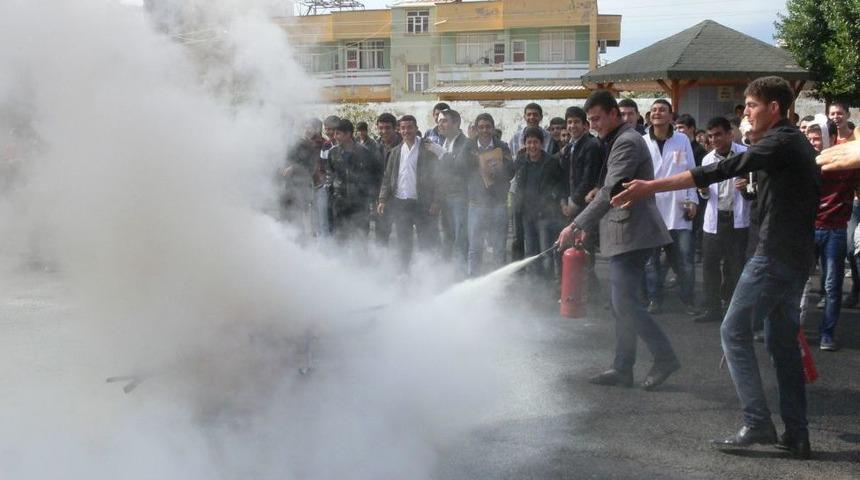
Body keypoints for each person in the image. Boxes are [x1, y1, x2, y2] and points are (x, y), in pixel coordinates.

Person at [612, 76, 820, 459]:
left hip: (773, 256)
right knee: (781, 345)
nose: (746, 113)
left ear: (775, 108)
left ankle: (758, 422)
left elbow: (722, 169)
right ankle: (796, 433)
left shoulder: (782, 140)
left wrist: (649, 187)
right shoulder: (789, 143)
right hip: (793, 257)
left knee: (733, 331)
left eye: (752, 106)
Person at [557, 90, 678, 391]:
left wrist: (576, 223)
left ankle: (664, 357)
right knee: (621, 302)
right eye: (590, 120)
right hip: (625, 231)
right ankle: (623, 368)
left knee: (623, 301)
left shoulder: (625, 142)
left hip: (634, 232)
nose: (594, 125)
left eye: (597, 119)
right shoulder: (614, 139)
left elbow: (610, 191)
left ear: (614, 114)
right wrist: (588, 226)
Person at [806, 116, 860, 350]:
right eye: (811, 138)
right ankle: (794, 331)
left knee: (831, 285)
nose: (814, 142)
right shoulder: (804, 160)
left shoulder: (847, 162)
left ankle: (827, 334)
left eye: (818, 138)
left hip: (835, 229)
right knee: (799, 284)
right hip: (807, 228)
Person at [642, 99, 699, 315]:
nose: (657, 113)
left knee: (684, 260)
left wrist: (692, 200)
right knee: (651, 261)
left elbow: (692, 171)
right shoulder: (642, 141)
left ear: (670, 115)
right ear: (650, 115)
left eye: (662, 110)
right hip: (651, 209)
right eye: (654, 110)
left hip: (679, 209)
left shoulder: (682, 139)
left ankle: (688, 300)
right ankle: (655, 299)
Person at [693, 117, 750, 324]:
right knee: (710, 266)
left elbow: (754, 188)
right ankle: (712, 308)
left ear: (730, 134)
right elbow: (706, 195)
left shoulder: (745, 154)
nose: (714, 139)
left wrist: (746, 188)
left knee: (735, 266)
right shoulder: (708, 160)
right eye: (710, 136)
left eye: (718, 134)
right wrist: (704, 191)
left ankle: (734, 309)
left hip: (737, 218)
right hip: (715, 218)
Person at [377, 115, 439, 271]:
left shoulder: (427, 150)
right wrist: (383, 199)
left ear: (416, 128)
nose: (406, 131)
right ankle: (404, 273)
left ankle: (428, 274)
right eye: (403, 128)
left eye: (410, 127)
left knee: (426, 242)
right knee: (404, 243)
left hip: (422, 204)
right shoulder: (396, 151)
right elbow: (387, 177)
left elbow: (438, 178)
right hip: (401, 203)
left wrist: (436, 201)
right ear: (399, 129)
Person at [559, 106, 604, 297]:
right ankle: (576, 290)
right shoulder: (569, 147)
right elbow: (562, 177)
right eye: (569, 122)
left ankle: (590, 293)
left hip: (585, 206)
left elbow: (588, 178)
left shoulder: (591, 145)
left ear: (585, 125)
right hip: (570, 204)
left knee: (585, 249)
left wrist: (573, 203)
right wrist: (563, 200)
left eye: (576, 122)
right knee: (572, 248)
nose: (572, 126)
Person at [466, 113, 514, 276]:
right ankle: (473, 282)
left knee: (499, 248)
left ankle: (499, 285)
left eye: (488, 127)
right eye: (481, 127)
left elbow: (512, 172)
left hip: (498, 204)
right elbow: (459, 168)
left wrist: (500, 169)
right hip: (476, 204)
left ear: (493, 129)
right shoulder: (469, 146)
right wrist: (470, 146)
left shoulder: (502, 146)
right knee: (474, 248)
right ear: (476, 129)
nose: (485, 130)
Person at [514, 126, 565, 280]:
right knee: (530, 251)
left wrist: (552, 197)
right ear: (524, 144)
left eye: (535, 142)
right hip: (527, 214)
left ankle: (547, 284)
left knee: (546, 253)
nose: (532, 146)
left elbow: (560, 184)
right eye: (529, 142)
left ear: (542, 144)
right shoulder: (522, 161)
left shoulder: (551, 162)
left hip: (545, 215)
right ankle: (533, 285)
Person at [509, 103, 552, 262]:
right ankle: (519, 271)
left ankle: (542, 274)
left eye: (535, 114)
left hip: (541, 195)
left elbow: (549, 161)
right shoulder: (515, 137)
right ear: (524, 116)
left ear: (540, 117)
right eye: (529, 114)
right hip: (519, 192)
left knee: (540, 238)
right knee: (518, 235)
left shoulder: (548, 137)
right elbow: (513, 165)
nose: (532, 117)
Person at [327, 119, 381, 242]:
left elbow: (375, 176)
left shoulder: (365, 153)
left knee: (360, 238)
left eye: (338, 133)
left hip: (360, 204)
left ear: (348, 134)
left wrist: (371, 197)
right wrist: (332, 197)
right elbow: (330, 176)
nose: (335, 137)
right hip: (339, 203)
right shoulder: (333, 153)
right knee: (340, 239)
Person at [435, 109, 471, 271]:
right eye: (439, 121)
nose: (440, 124)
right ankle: (448, 272)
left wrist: (441, 154)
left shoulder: (466, 143)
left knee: (460, 237)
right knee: (447, 237)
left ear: (456, 123)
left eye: (444, 121)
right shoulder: (444, 142)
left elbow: (460, 168)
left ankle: (461, 272)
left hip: (459, 197)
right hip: (444, 197)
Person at [373, 113, 402, 246]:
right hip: (382, 198)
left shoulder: (405, 145)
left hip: (401, 196)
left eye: (387, 128)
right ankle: (381, 264)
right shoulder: (375, 146)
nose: (384, 131)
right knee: (381, 234)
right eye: (381, 128)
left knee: (404, 235)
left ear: (395, 127)